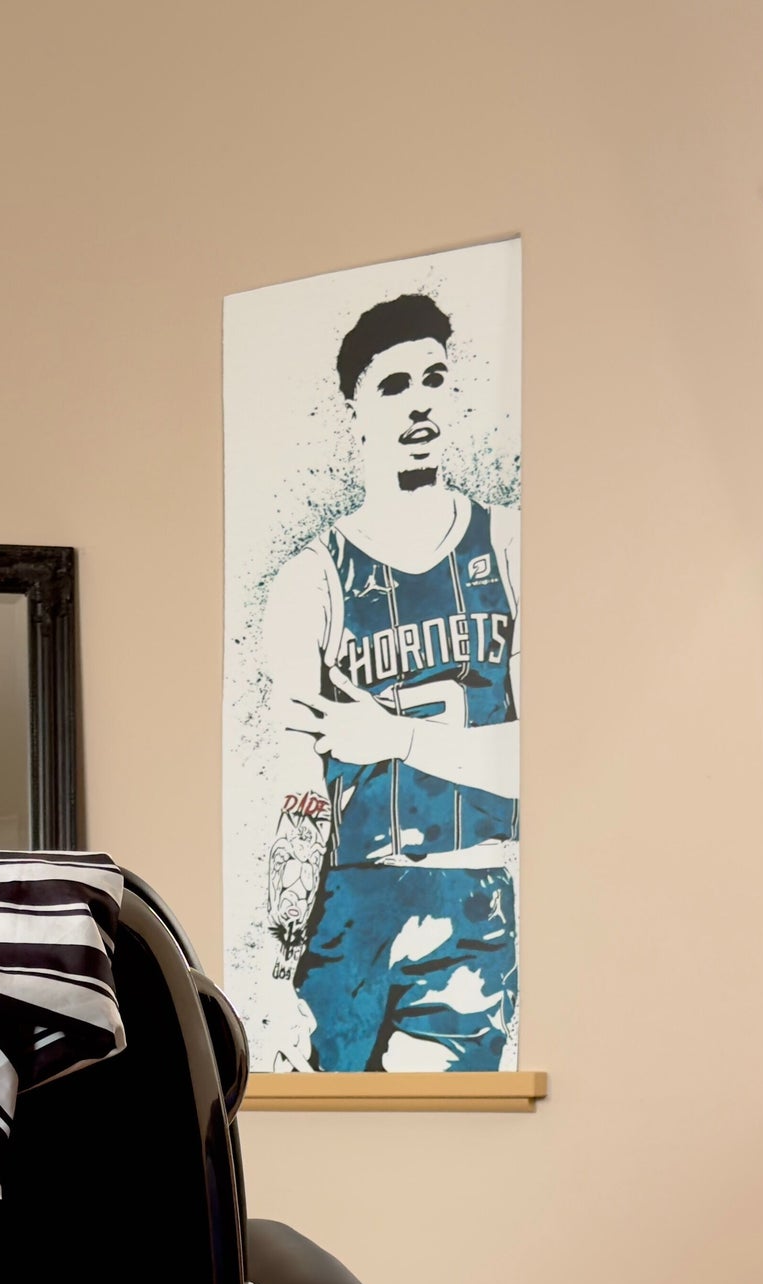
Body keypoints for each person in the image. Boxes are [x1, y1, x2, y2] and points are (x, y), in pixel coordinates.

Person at [259, 292, 522, 1072]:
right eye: (394, 385)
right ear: (355, 411)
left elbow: (544, 762)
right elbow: (295, 788)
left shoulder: (506, 544)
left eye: (434, 378)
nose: (419, 402)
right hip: (348, 906)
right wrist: (278, 970)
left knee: (438, 1137)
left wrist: (397, 737)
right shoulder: (310, 580)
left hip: (468, 899)